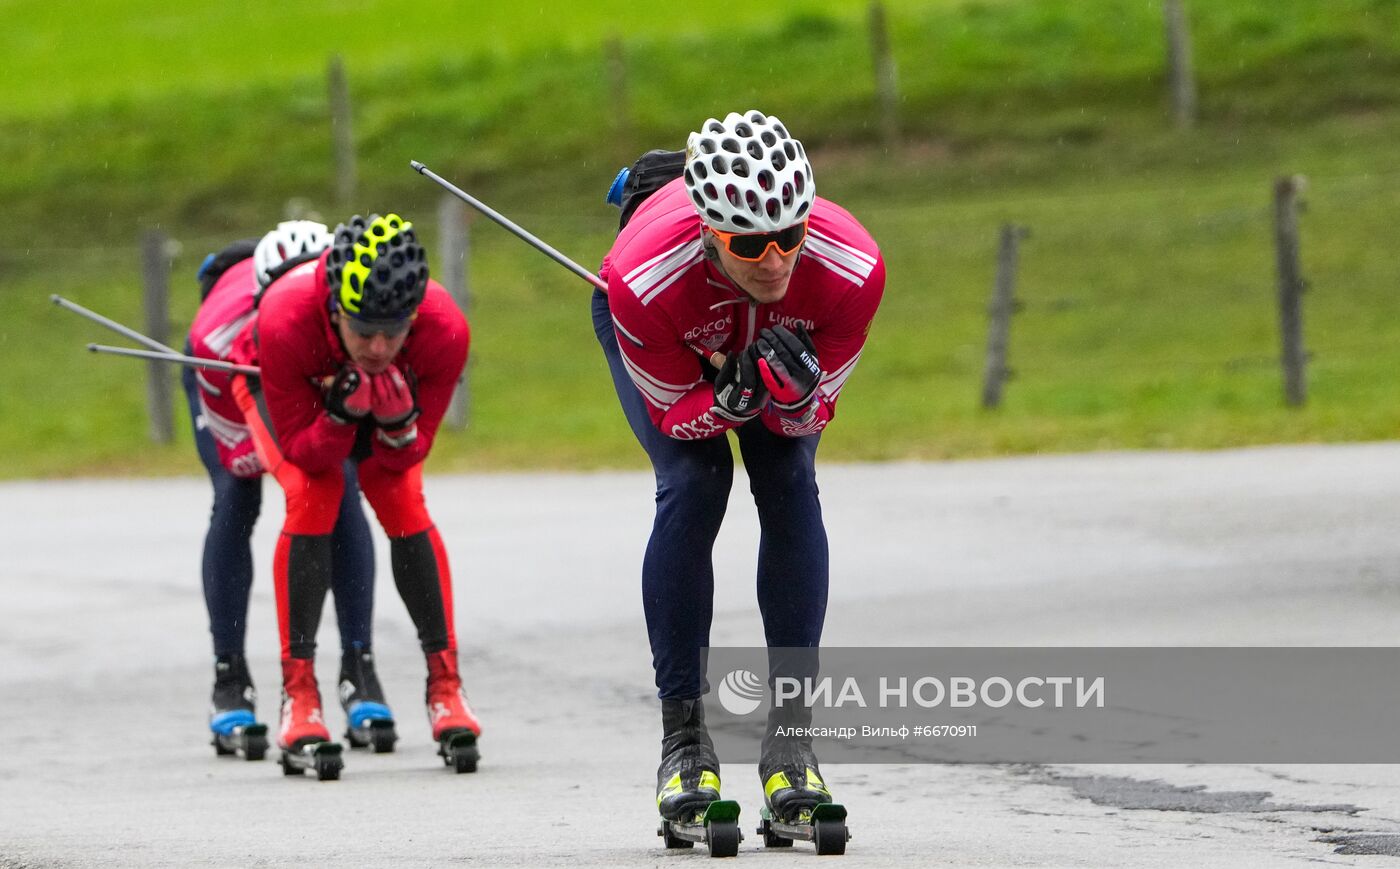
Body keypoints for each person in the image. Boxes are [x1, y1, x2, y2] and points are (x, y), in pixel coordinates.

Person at [594, 111, 885, 824]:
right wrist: (728, 397)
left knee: (789, 480)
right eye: (749, 244)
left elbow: (804, 424)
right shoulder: (641, 280)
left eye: (790, 234)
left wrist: (792, 396)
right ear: (708, 231)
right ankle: (685, 743)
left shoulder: (853, 269)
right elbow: (675, 419)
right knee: (695, 482)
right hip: (675, 335)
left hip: (770, 356)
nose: (776, 260)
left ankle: (791, 745)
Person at [227, 213, 481, 767]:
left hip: (374, 408)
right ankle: (300, 696)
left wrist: (396, 424)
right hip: (288, 398)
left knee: (403, 500)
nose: (379, 346)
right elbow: (303, 452)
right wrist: (341, 415)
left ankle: (446, 688)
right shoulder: (286, 318)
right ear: (337, 310)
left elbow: (407, 457)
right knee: (314, 496)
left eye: (395, 331)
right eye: (364, 331)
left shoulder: (444, 330)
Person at [184, 221, 395, 753]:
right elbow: (243, 452)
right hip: (233, 379)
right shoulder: (219, 337)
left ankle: (358, 669)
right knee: (237, 496)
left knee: (337, 486)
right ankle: (228, 680)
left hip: (309, 366)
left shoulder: (344, 319)